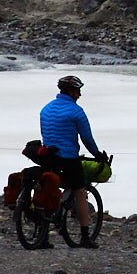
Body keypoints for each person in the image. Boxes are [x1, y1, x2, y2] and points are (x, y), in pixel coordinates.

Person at [37, 74, 107, 223]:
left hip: (48, 155)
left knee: (52, 184)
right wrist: (98, 155)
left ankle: (45, 225)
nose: (80, 94)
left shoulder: (46, 109)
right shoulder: (76, 111)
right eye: (77, 91)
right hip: (67, 157)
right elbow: (86, 138)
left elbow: (45, 134)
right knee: (80, 192)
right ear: (70, 91)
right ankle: (85, 235)